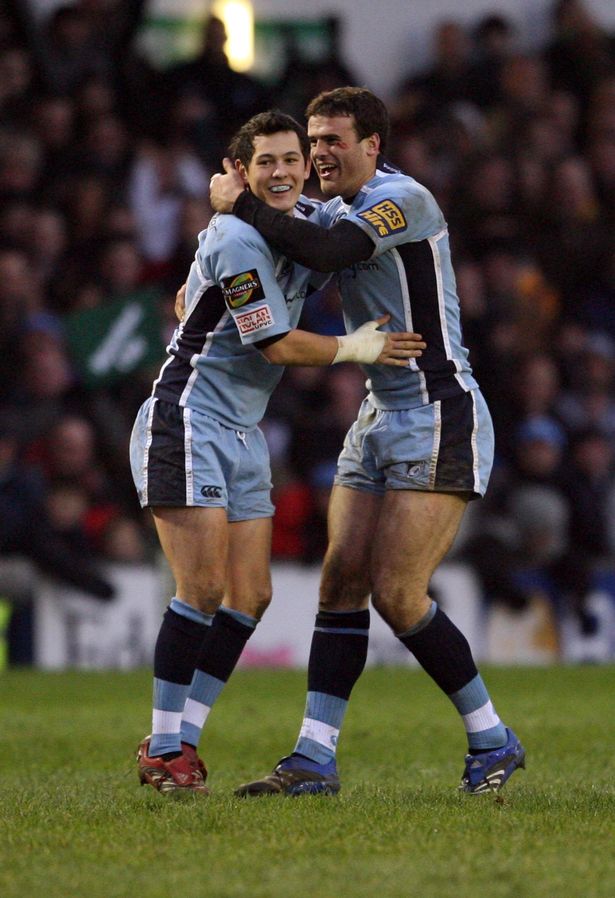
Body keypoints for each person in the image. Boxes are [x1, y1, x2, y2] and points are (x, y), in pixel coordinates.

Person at [210, 86, 526, 796]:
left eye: (333, 140)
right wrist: (203, 284)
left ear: (372, 145)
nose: (318, 153)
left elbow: (324, 249)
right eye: (313, 141)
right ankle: (313, 758)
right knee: (341, 582)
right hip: (378, 413)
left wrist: (238, 204)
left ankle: (492, 738)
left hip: (438, 411)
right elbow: (273, 246)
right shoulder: (330, 208)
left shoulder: (402, 199)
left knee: (398, 593)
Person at [129, 109, 424, 797]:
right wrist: (358, 346)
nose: (284, 171)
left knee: (251, 596)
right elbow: (274, 345)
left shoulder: (302, 221)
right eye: (266, 161)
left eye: (293, 159)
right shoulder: (235, 238)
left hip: (243, 430)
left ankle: (182, 739)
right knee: (202, 590)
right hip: (189, 419)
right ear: (241, 171)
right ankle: (164, 748)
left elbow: (332, 243)